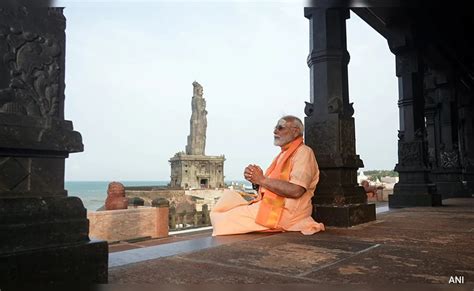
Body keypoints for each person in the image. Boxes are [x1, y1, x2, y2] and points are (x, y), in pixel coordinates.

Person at [210, 115, 325, 236]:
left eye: (280, 128)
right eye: (275, 127)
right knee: (227, 200)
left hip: (286, 213)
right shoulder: (282, 155)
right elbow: (270, 186)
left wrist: (262, 179)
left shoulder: (304, 152)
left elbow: (296, 190)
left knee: (220, 219)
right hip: (273, 207)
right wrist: (254, 179)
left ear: (295, 131)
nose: (275, 131)